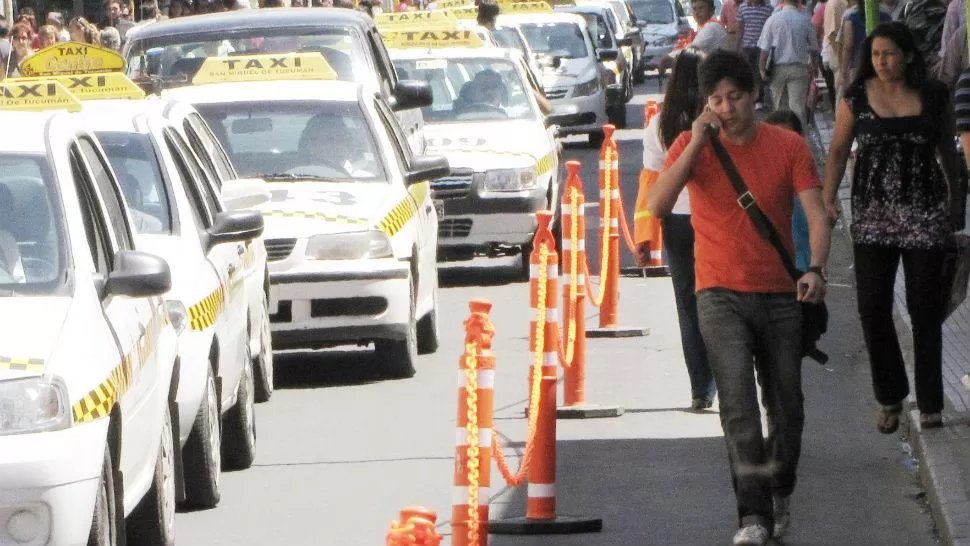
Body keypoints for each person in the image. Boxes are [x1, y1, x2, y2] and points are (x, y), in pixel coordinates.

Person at [647, 49, 831, 546]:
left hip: (779, 294)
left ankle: (780, 487)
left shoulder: (788, 145)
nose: (726, 108)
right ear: (705, 104)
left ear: (754, 95)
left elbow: (817, 213)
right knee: (739, 407)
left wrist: (815, 268)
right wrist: (695, 143)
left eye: (735, 97)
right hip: (718, 293)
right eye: (716, 99)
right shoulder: (692, 143)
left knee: (786, 405)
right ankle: (753, 515)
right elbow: (659, 204)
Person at [823, 22, 961, 433]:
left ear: (908, 56)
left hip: (925, 213)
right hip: (872, 215)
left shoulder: (935, 96)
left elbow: (948, 153)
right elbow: (838, 149)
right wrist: (829, 199)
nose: (882, 62)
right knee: (872, 308)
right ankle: (890, 396)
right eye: (876, 54)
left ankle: (932, 404)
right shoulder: (857, 96)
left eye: (890, 54)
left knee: (925, 309)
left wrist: (956, 201)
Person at [634, 48, 717, 410]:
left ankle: (700, 387)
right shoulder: (715, 119)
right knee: (719, 298)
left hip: (675, 221)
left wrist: (644, 237)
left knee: (687, 304)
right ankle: (722, 374)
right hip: (713, 218)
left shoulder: (659, 125)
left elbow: (649, 184)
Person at [758, 0, 821, 127]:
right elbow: (814, 47)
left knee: (780, 107)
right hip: (799, 69)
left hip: (777, 69)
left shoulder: (773, 20)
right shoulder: (805, 20)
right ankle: (800, 140)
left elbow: (764, 49)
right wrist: (814, 64)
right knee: (798, 108)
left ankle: (783, 138)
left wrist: (762, 68)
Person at [765, 109, 812, 271]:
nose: (784, 146)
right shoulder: (758, 190)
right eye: (775, 140)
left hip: (804, 279)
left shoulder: (810, 192)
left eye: (790, 139)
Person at [837, 0, 892, 85]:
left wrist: (843, 72)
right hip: (882, 63)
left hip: (858, 65)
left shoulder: (849, 15)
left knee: (857, 95)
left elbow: (848, 45)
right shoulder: (886, 12)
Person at [738, 0, 775, 108]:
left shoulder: (769, 8)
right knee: (748, 72)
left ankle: (760, 98)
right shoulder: (743, 7)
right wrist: (738, 45)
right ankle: (750, 97)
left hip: (762, 46)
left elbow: (770, 28)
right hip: (747, 46)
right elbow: (740, 28)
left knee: (760, 72)